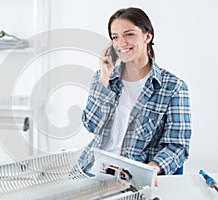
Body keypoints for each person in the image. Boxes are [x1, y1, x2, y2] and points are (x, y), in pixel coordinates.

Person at [78, 7, 192, 177]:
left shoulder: (173, 87)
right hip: (92, 171)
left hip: (132, 179)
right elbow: (92, 125)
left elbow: (177, 146)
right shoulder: (104, 78)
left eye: (129, 34)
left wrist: (148, 171)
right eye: (115, 37)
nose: (121, 43)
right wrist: (103, 80)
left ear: (147, 36)